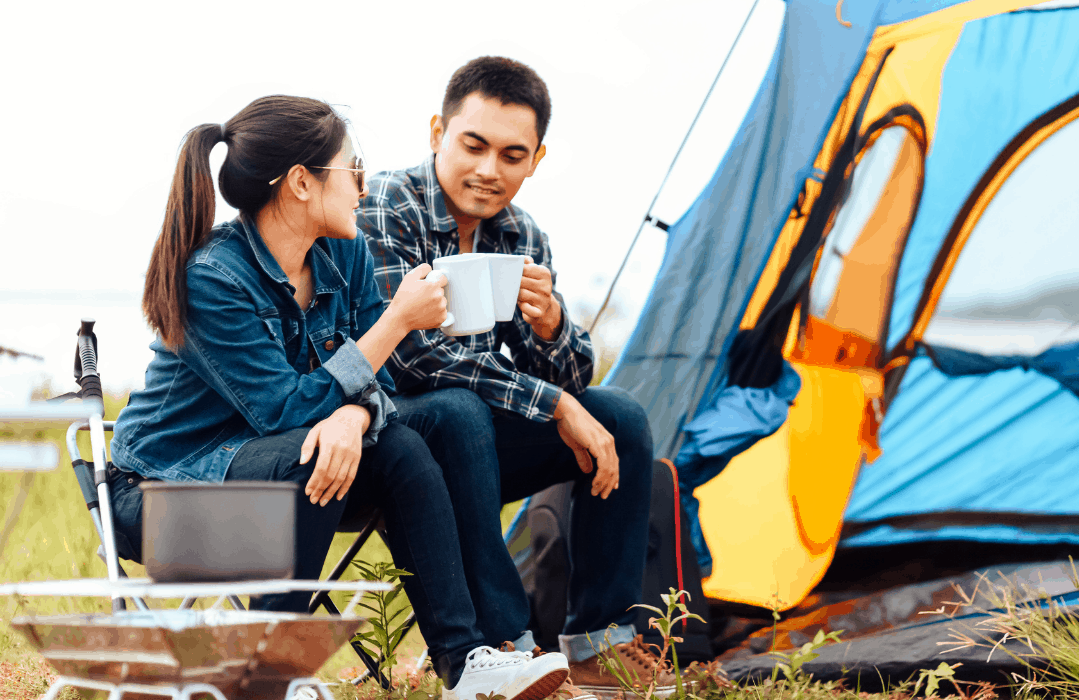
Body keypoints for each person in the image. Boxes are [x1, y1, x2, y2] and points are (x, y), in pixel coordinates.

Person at [107, 95, 571, 700]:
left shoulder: (343, 252)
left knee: (436, 422)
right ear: (301, 183)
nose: (363, 185)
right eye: (352, 169)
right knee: (315, 447)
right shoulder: (212, 277)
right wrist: (396, 324)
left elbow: (381, 384)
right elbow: (285, 412)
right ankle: (268, 674)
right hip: (167, 504)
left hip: (287, 477)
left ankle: (473, 660)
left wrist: (353, 414)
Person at [358, 57, 664, 695]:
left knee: (620, 419)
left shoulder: (521, 234)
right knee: (458, 411)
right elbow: (411, 358)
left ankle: (599, 644)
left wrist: (552, 326)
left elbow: (573, 381)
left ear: (537, 159)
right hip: (386, 437)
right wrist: (552, 403)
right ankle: (505, 643)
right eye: (473, 145)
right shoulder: (388, 204)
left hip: (473, 444)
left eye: (512, 154)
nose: (489, 170)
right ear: (437, 130)